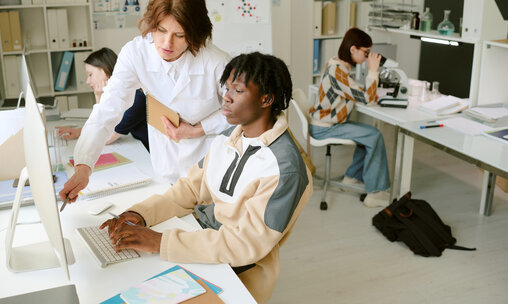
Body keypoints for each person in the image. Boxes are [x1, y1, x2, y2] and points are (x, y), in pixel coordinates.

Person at [101, 52, 313, 303]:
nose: (227, 97)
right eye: (227, 88)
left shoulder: (284, 168)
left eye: (238, 90)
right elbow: (190, 190)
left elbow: (245, 245)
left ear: (266, 99)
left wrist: (160, 242)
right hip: (202, 239)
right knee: (116, 282)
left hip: (239, 269)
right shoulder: (228, 137)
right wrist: (141, 214)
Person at [59, 0, 230, 204]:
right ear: (152, 24)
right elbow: (109, 108)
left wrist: (198, 129)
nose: (167, 43)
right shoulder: (136, 53)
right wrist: (84, 166)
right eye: (161, 30)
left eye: (179, 35)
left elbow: (241, 111)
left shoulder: (216, 62)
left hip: (208, 169)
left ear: (194, 34)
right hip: (165, 168)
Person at [309, 27, 391, 208]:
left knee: (367, 134)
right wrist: (373, 71)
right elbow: (368, 99)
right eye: (366, 52)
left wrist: (363, 90)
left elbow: (353, 92)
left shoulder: (335, 63)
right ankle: (376, 193)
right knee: (374, 135)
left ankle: (352, 178)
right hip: (326, 127)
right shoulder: (337, 71)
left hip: (325, 123)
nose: (367, 57)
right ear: (353, 49)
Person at [57, 48, 150, 151]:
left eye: (90, 74)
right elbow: (103, 124)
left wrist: (99, 97)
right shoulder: (117, 94)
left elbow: (105, 138)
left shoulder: (135, 97)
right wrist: (78, 131)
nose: (88, 81)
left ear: (105, 71)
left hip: (151, 157)